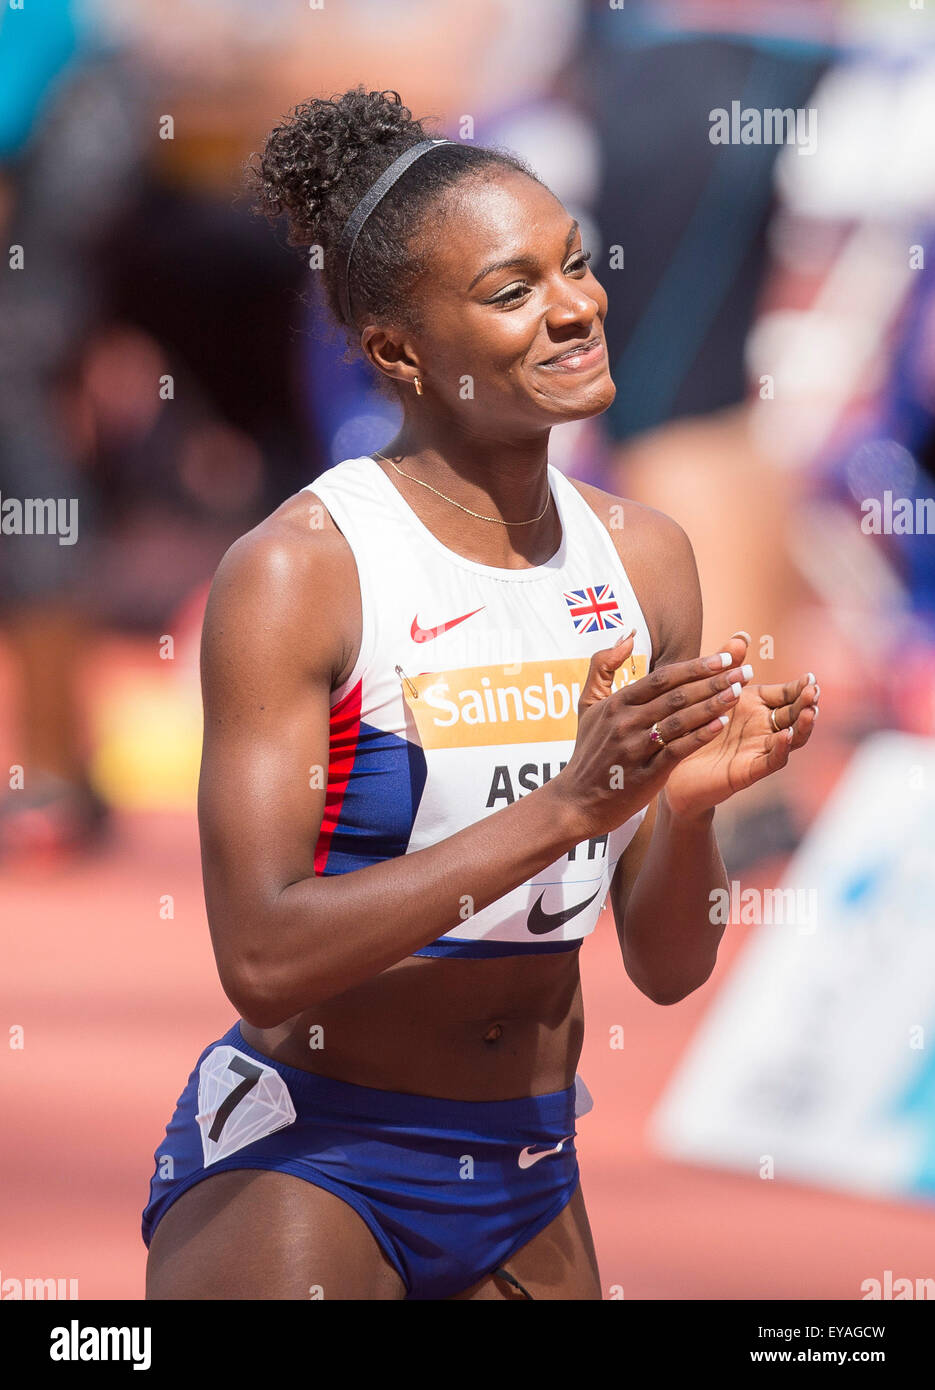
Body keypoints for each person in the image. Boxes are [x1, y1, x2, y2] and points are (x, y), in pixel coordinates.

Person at [141, 87, 819, 1301]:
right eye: (511, 293)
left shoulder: (643, 557)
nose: (574, 309)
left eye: (574, 264)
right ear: (401, 353)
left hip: (528, 1173)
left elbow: (664, 970)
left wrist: (687, 811)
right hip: (315, 1161)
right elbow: (259, 953)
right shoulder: (303, 571)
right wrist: (567, 808)